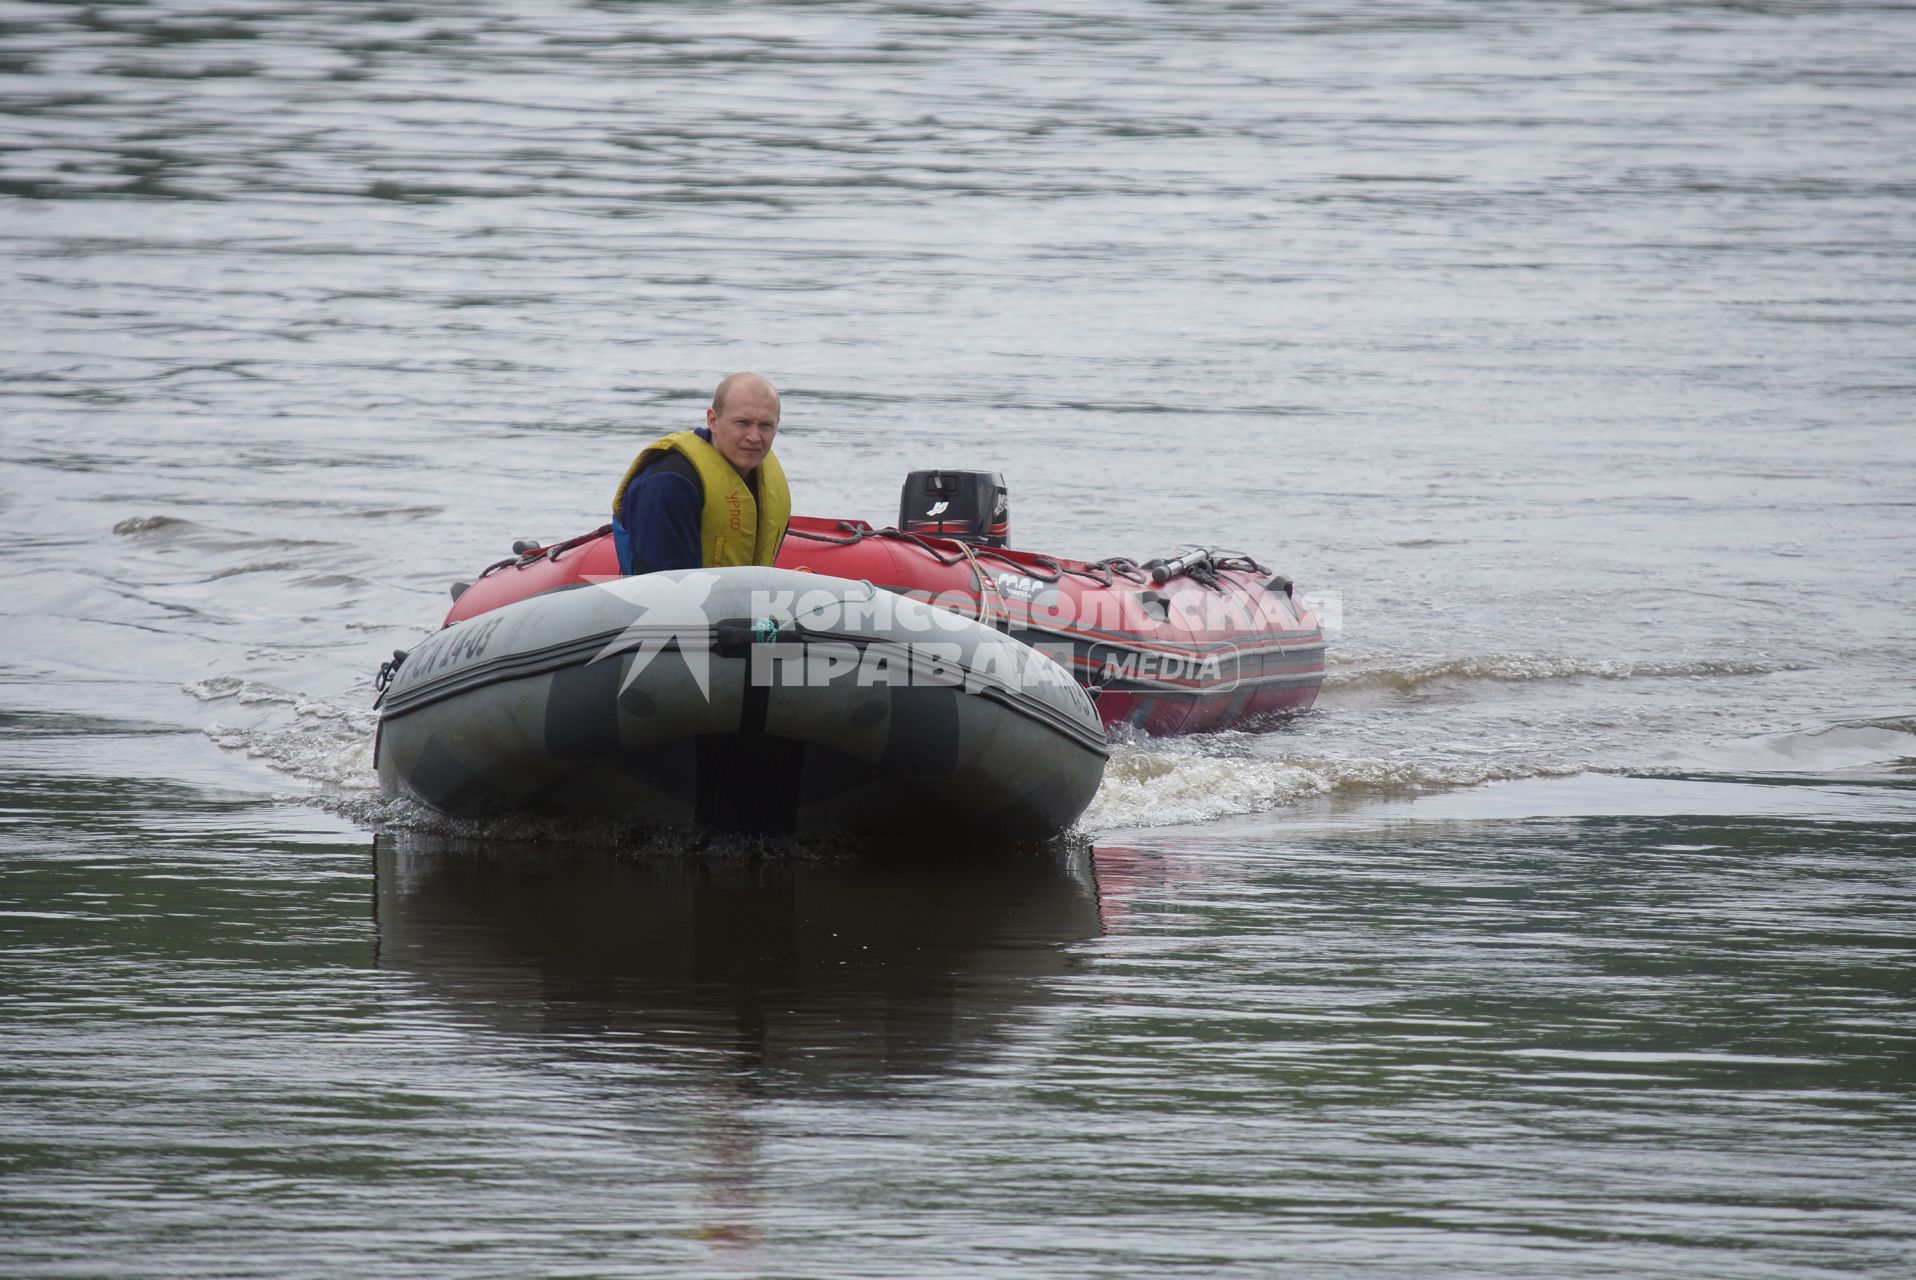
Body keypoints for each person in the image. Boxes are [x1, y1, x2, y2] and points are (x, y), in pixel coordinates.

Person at [611, 372, 791, 575]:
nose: (754, 437)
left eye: (766, 425)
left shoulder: (766, 480)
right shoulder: (669, 484)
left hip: (746, 601)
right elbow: (660, 588)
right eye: (742, 423)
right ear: (712, 420)